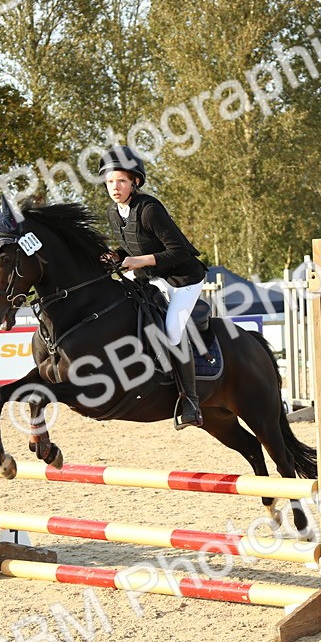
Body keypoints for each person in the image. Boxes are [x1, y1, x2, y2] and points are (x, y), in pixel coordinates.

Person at [99, 145, 208, 429]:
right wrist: (116, 257)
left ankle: (191, 402)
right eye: (110, 181)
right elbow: (129, 246)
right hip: (148, 276)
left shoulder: (150, 209)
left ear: (135, 181)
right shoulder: (114, 212)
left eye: (121, 180)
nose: (115, 187)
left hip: (183, 279)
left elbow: (180, 252)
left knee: (172, 330)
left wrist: (137, 260)